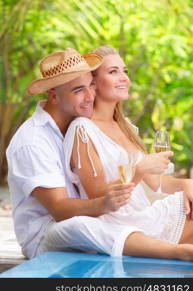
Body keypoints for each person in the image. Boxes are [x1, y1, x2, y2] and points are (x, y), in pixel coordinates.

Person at [63, 45, 193, 261]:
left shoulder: (128, 128)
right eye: (113, 72)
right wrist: (139, 170)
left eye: (124, 71)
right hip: (120, 225)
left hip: (143, 216)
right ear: (93, 84)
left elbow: (157, 183)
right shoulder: (83, 129)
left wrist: (185, 184)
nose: (123, 78)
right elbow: (96, 195)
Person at [6, 48, 134, 259]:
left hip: (86, 220)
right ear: (54, 96)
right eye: (78, 90)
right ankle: (178, 252)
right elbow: (59, 209)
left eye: (91, 85)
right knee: (81, 226)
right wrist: (103, 204)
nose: (91, 96)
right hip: (45, 235)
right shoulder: (32, 140)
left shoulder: (77, 127)